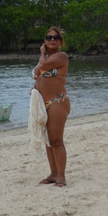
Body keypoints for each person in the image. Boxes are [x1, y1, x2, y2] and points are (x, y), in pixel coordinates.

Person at [32, 26, 70, 186]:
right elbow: (38, 75)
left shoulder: (61, 57)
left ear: (60, 42)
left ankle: (61, 176)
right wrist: (35, 88)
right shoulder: (44, 60)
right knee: (48, 140)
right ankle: (53, 173)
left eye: (55, 37)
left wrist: (42, 53)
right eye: (49, 37)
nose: (52, 40)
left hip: (58, 101)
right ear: (45, 41)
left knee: (56, 140)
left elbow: (44, 66)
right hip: (44, 103)